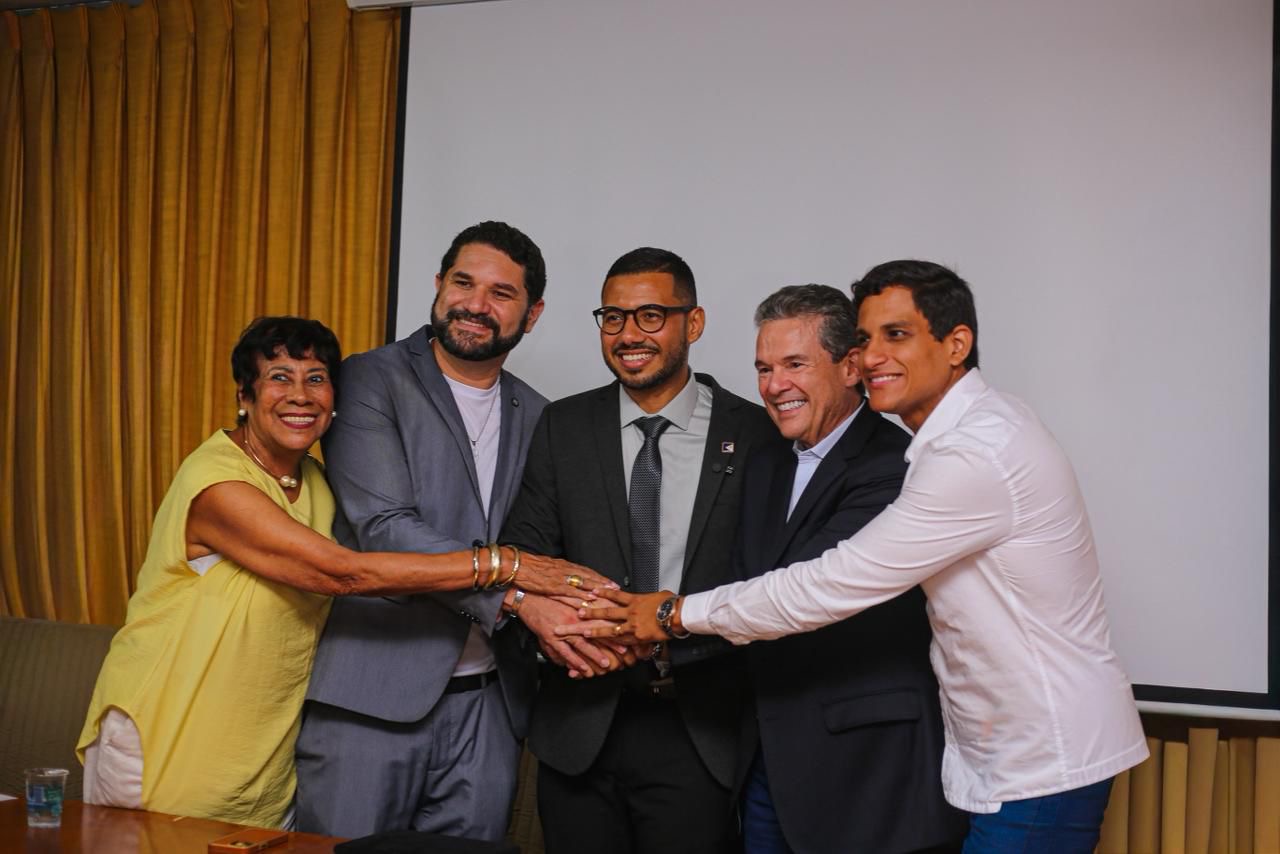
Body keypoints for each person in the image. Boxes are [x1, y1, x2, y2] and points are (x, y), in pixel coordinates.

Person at [566, 260, 1149, 853]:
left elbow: (831, 584)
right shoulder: (952, 436)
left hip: (1043, 760)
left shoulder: (976, 452)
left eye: (896, 335)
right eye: (866, 339)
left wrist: (670, 615)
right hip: (990, 753)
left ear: (956, 345)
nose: (871, 358)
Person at [76, 315, 602, 829]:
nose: (300, 396)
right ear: (245, 395)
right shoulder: (217, 483)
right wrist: (507, 568)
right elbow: (341, 575)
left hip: (261, 742)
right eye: (279, 378)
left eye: (316, 379)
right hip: (174, 721)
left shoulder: (314, 481)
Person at [294, 222, 619, 840]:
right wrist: (516, 598)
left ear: (533, 313)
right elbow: (385, 529)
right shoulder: (368, 380)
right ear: (439, 284)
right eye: (463, 283)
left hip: (492, 707)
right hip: (372, 698)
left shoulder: (541, 415)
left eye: (501, 293)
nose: (475, 303)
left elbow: (547, 543)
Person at [499, 247, 777, 854]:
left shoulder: (756, 433)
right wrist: (548, 618)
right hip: (580, 726)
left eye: (651, 316)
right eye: (613, 317)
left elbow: (769, 582)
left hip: (701, 729)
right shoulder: (564, 426)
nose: (628, 335)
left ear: (693, 323)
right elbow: (526, 554)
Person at [740, 284, 967, 854]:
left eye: (795, 364)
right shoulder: (762, 459)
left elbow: (803, 588)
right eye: (764, 368)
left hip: (867, 770)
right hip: (767, 756)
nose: (774, 385)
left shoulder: (899, 464)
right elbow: (738, 575)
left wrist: (663, 622)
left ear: (849, 368)